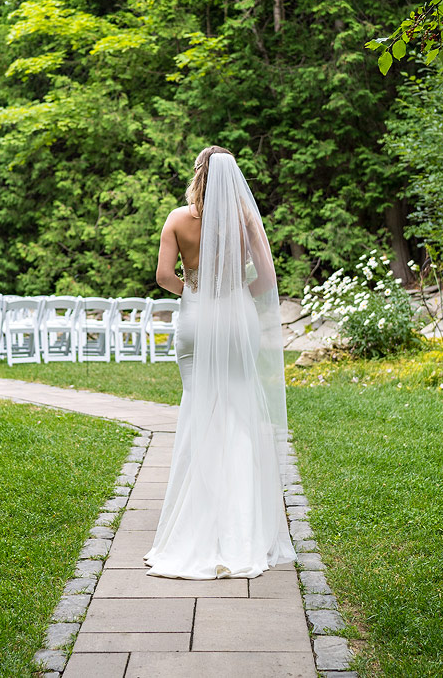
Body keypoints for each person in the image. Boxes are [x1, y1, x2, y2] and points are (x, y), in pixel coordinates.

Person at [143, 146, 297, 579]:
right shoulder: (246, 221)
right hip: (236, 318)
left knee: (199, 408)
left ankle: (193, 528)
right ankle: (243, 531)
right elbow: (266, 280)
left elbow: (162, 276)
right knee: (240, 411)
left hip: (197, 318)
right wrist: (233, 296)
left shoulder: (178, 219)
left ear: (198, 175)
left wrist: (194, 291)